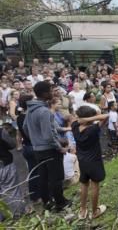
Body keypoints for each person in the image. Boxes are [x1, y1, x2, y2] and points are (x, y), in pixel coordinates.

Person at [23, 81, 71, 211]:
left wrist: (35, 140)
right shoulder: (44, 111)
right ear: (44, 94)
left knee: (43, 176)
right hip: (50, 149)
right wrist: (59, 147)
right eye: (50, 90)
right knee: (56, 177)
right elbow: (49, 135)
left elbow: (25, 128)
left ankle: (47, 202)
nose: (53, 92)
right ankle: (60, 202)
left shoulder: (30, 110)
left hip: (38, 149)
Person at [72, 106, 108, 220]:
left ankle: (82, 211)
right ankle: (94, 212)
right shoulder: (93, 129)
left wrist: (84, 119)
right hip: (94, 162)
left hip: (82, 161)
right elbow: (106, 116)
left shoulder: (75, 126)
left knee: (84, 184)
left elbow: (76, 119)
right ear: (89, 118)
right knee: (95, 186)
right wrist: (91, 118)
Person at [17, 94, 40, 204]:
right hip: (34, 146)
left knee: (33, 171)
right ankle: (40, 195)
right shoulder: (30, 116)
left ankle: (34, 196)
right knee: (39, 171)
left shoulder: (19, 118)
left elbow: (19, 133)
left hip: (27, 146)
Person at [0, 125, 26, 220]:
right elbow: (12, 144)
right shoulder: (1, 131)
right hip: (4, 164)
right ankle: (18, 215)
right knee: (12, 190)